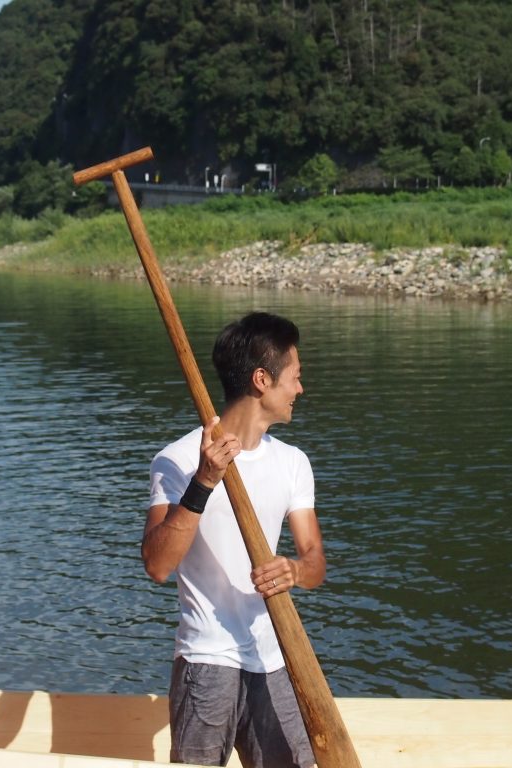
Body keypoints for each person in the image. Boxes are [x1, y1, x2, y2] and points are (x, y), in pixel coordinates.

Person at [142, 311, 325, 768]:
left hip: (275, 659)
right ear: (262, 380)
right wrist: (204, 481)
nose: (300, 389)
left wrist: (294, 570)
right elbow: (158, 565)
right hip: (206, 662)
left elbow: (315, 563)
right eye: (295, 377)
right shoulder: (179, 460)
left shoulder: (293, 463)